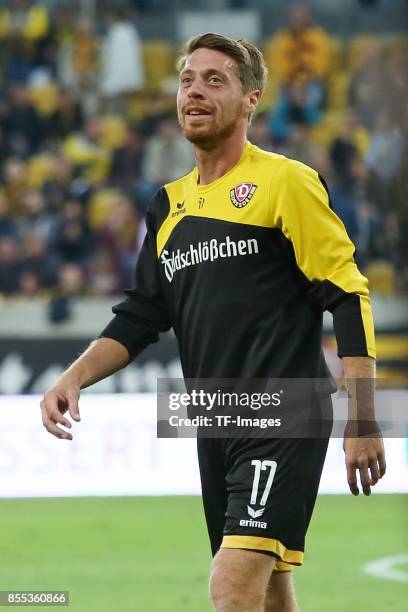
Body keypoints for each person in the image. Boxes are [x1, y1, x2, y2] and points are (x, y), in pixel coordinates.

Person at [40, 33, 386, 611]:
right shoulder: (168, 205)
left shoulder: (285, 181)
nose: (194, 91)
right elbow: (142, 315)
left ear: (252, 99)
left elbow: (347, 293)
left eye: (214, 80)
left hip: (285, 412)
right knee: (268, 587)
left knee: (231, 586)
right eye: (186, 80)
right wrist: (73, 377)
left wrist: (365, 418)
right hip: (217, 420)